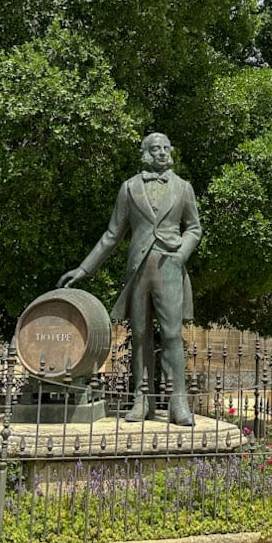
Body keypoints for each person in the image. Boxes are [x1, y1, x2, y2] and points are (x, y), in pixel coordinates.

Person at [57, 133, 202, 426]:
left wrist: (181, 254)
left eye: (165, 148)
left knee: (173, 335)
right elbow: (112, 235)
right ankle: (141, 399)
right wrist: (83, 270)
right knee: (139, 337)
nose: (162, 153)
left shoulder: (183, 188)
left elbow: (194, 229)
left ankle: (179, 403)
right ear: (145, 153)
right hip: (138, 269)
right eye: (155, 149)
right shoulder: (129, 188)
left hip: (170, 267)